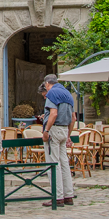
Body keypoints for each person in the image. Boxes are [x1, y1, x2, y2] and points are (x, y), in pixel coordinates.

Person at [41, 74, 76, 207]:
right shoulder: (67, 94)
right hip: (64, 129)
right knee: (64, 163)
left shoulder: (52, 93)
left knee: (53, 163)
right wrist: (68, 135)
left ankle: (57, 196)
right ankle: (68, 195)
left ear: (47, 84)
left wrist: (46, 130)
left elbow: (54, 113)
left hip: (54, 130)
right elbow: (73, 118)